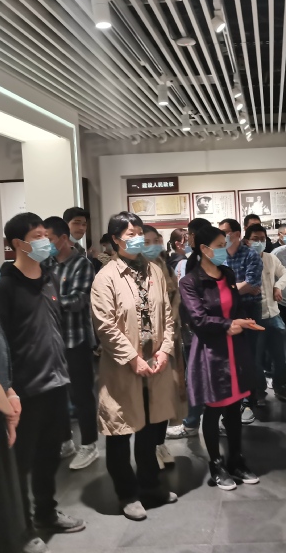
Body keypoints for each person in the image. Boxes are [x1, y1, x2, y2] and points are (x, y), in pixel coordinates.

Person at [0, 212, 85, 539]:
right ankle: (23, 529)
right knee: (21, 464)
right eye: (37, 237)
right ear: (18, 243)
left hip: (56, 383)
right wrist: (8, 389)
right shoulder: (4, 287)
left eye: (46, 235)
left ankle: (46, 513)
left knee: (49, 456)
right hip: (25, 390)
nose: (45, 241)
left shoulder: (49, 278)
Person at [90, 212, 178, 521]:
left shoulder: (154, 270)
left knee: (151, 431)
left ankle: (150, 485)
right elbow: (105, 325)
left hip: (155, 365)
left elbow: (167, 316)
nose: (137, 238)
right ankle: (127, 494)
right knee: (119, 432)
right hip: (123, 368)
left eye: (139, 232)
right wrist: (132, 358)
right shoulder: (106, 277)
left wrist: (165, 350)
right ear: (115, 239)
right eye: (130, 234)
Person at [0, 243, 45, 553]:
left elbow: (0, 367)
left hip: (0, 410)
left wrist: (11, 394)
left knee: (4, 490)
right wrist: (8, 409)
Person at [178, 226, 259, 491]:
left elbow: (234, 308)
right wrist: (228, 325)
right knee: (214, 409)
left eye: (225, 244)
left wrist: (243, 322)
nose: (225, 249)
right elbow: (198, 319)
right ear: (204, 249)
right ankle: (216, 464)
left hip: (235, 348)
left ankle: (236, 459)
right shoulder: (190, 282)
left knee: (234, 407)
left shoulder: (228, 274)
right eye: (220, 245)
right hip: (211, 352)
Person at [43, 216, 99, 471]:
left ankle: (89, 444)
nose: (45, 244)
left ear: (63, 239)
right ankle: (65, 440)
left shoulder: (81, 264)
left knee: (81, 394)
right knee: (56, 395)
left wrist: (46, 301)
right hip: (51, 340)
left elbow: (77, 301)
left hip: (76, 340)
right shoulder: (46, 263)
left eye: (49, 239)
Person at [141, 225, 187, 469]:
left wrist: (170, 332)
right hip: (144, 345)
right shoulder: (133, 270)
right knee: (147, 399)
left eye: (156, 240)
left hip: (169, 341)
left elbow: (174, 300)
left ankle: (160, 443)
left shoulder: (165, 266)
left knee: (166, 396)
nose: (153, 246)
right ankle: (148, 450)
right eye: (146, 241)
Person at [165, 217, 211, 439]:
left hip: (199, 328)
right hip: (196, 328)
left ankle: (195, 422)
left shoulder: (194, 262)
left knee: (198, 375)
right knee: (197, 374)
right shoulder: (186, 263)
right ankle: (194, 421)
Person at [245, 224, 286, 403]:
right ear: (247, 241)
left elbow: (285, 274)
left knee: (280, 357)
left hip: (274, 314)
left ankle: (280, 387)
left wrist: (278, 286)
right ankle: (259, 392)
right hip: (254, 317)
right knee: (256, 358)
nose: (259, 242)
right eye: (255, 239)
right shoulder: (242, 260)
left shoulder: (270, 258)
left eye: (262, 239)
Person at [217, 218, 262, 421]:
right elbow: (218, 284)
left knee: (248, 356)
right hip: (228, 310)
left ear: (236, 234)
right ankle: (233, 400)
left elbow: (252, 282)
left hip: (249, 308)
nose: (222, 235)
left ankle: (248, 402)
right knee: (230, 356)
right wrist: (238, 288)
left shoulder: (251, 255)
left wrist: (228, 290)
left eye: (225, 231)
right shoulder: (220, 255)